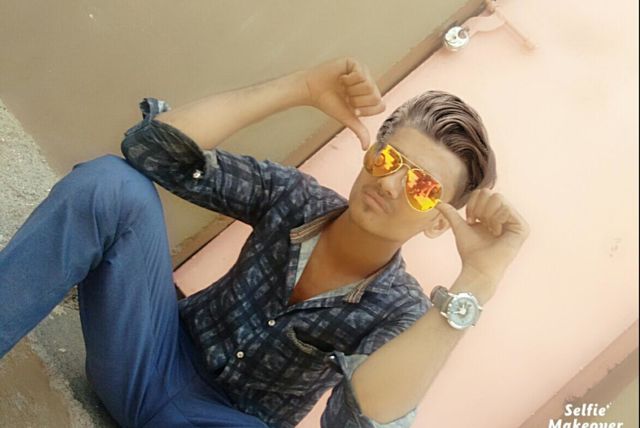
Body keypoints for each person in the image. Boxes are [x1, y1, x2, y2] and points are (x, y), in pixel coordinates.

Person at [0, 57, 529, 427]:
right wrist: (301, 88)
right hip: (146, 353)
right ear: (371, 153)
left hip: (227, 420)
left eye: (422, 187)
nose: (390, 184)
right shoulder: (295, 198)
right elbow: (153, 152)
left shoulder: (403, 312)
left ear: (438, 222)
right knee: (113, 185)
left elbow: (355, 423)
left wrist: (478, 281)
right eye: (389, 159)